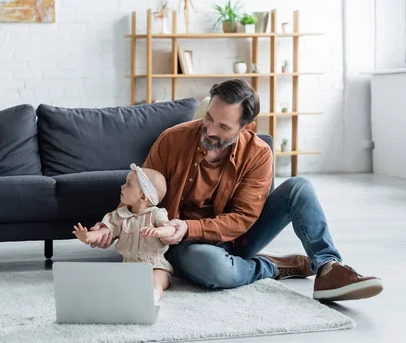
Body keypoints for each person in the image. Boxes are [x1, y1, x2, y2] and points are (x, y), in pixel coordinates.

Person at [90, 79, 383, 302]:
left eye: (223, 126)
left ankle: (329, 268)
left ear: (247, 126)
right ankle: (270, 266)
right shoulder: (171, 141)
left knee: (300, 188)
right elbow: (142, 195)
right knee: (212, 269)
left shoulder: (258, 154)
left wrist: (188, 226)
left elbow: (243, 218)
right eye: (208, 119)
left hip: (236, 237)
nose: (211, 131)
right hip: (181, 242)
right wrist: (114, 227)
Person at [73, 164, 174, 303]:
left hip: (155, 266)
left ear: (143, 196)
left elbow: (170, 229)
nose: (122, 186)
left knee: (156, 279)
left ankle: (154, 295)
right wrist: (88, 237)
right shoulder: (118, 216)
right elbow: (104, 231)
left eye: (128, 184)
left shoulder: (157, 214)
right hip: (128, 267)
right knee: (111, 280)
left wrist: (159, 231)